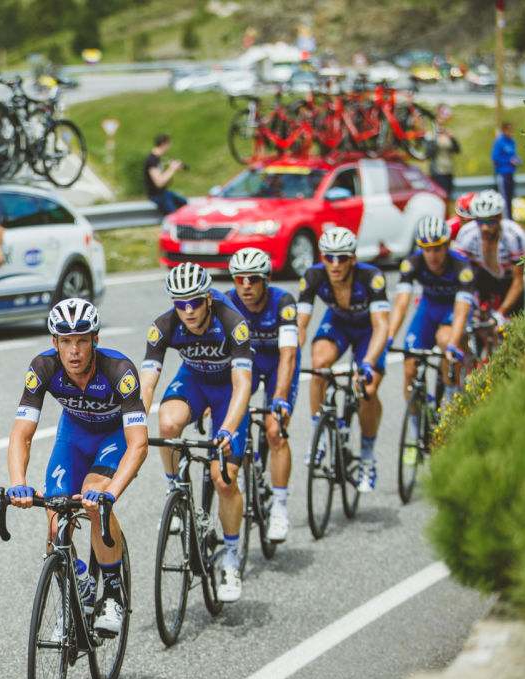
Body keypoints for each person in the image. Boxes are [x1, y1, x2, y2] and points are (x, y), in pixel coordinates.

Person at [7, 298, 148, 634]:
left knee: (94, 497)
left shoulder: (120, 371)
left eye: (82, 340)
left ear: (95, 340)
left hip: (114, 436)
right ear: (54, 342)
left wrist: (112, 494)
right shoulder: (43, 367)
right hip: (73, 436)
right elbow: (21, 434)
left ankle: (112, 593)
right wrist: (18, 482)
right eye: (66, 341)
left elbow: (139, 444)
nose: (74, 350)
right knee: (55, 521)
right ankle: (77, 590)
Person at [139, 262, 253, 602]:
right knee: (167, 424)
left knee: (223, 479)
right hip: (195, 381)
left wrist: (228, 429)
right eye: (180, 303)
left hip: (228, 392)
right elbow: (147, 385)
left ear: (208, 299)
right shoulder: (163, 326)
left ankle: (230, 558)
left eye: (195, 302)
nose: (188, 310)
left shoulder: (233, 323)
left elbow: (243, 384)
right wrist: (133, 427)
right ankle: (176, 489)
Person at [296, 227, 390, 493]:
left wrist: (368, 362)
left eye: (342, 257)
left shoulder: (371, 277)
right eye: (329, 257)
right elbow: (300, 324)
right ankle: (320, 436)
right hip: (338, 324)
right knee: (318, 367)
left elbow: (382, 325)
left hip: (369, 330)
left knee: (367, 389)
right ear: (322, 258)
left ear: (353, 259)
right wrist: (292, 357)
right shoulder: (313, 276)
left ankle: (368, 455)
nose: (335, 264)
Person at [223, 248, 300, 543]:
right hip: (249, 363)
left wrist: (279, 398)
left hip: (279, 362)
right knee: (231, 419)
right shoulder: (228, 301)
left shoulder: (283, 302)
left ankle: (279, 507)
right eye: (239, 279)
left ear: (266, 279)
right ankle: (248, 464)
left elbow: (289, 354)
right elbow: (223, 356)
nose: (245, 285)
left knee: (275, 430)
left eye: (253, 279)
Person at [387, 217, 476, 424]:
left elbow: (462, 311)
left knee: (445, 340)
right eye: (427, 250)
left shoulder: (462, 267)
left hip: (453, 309)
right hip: (428, 309)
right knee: (410, 368)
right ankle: (415, 432)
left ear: (447, 245)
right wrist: (389, 337)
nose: (432, 256)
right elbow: (401, 305)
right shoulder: (412, 263)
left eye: (437, 249)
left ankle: (451, 395)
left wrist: (453, 343)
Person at [452, 189, 525, 318]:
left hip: (509, 281)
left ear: (500, 217)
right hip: (483, 280)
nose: (485, 228)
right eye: (480, 221)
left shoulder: (513, 235)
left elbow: (518, 281)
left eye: (490, 222)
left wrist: (501, 313)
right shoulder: (466, 234)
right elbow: (461, 275)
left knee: (511, 323)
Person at [144, 134, 188, 216]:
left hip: (163, 192)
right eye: (169, 145)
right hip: (157, 195)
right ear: (164, 144)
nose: (169, 147)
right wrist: (172, 168)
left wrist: (174, 168)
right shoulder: (152, 160)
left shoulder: (158, 158)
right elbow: (159, 183)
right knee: (174, 216)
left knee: (184, 203)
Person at [429, 105, 461, 213]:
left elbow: (457, 150)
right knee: (440, 197)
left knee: (448, 196)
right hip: (438, 171)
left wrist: (452, 138)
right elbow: (429, 152)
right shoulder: (432, 134)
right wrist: (435, 138)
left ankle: (447, 214)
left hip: (448, 169)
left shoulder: (448, 133)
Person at [491, 122, 521, 220]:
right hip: (502, 173)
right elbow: (495, 158)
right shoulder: (499, 142)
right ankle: (506, 218)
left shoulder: (512, 142)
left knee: (510, 197)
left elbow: (514, 156)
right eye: (508, 129)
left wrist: (518, 161)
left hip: (510, 173)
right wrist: (509, 161)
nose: (510, 132)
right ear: (504, 130)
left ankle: (510, 218)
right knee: (504, 198)